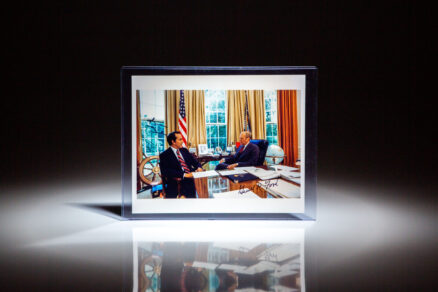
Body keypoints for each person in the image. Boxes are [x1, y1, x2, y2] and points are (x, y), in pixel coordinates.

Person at [159, 131, 203, 198]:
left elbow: (195, 162)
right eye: (180, 139)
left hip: (191, 177)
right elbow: (166, 171)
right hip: (177, 181)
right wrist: (184, 175)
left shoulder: (184, 150)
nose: (182, 141)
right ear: (173, 142)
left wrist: (199, 167)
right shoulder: (164, 155)